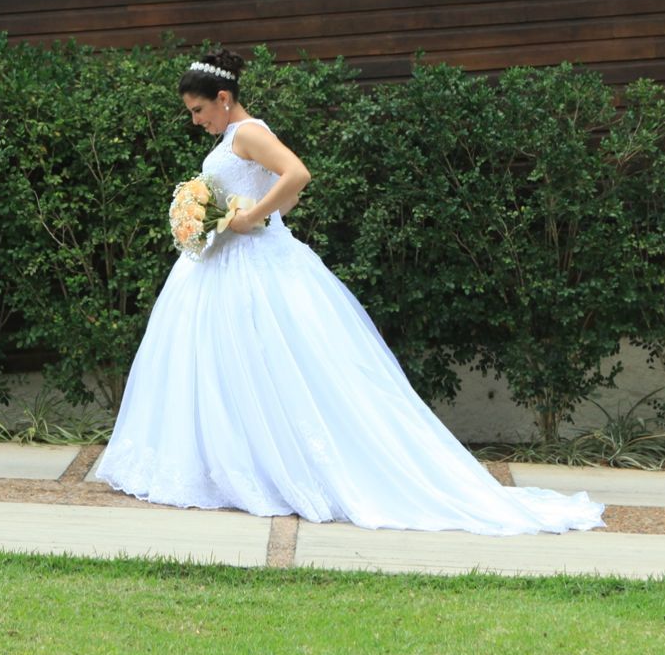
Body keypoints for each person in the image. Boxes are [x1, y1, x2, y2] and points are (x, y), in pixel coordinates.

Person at [90, 48, 605, 536]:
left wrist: (252, 214)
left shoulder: (248, 132)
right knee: (229, 367)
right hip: (225, 266)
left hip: (253, 263)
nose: (195, 120)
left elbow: (297, 173)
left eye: (199, 110)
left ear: (223, 99)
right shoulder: (230, 140)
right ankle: (232, 464)